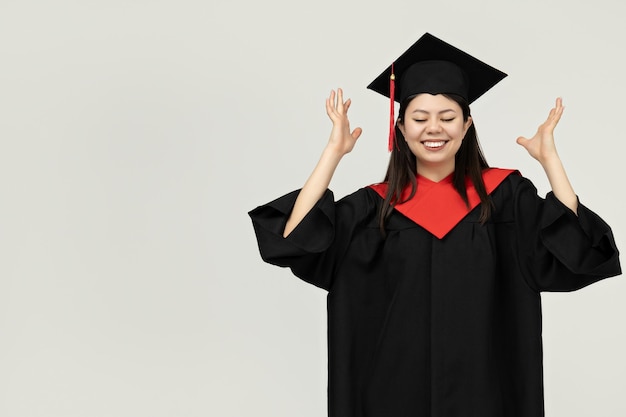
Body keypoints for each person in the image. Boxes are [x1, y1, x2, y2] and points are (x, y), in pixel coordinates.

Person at [248, 33, 621, 417]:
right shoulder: (373, 207)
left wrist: (550, 161)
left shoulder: (505, 198)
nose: (434, 129)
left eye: (447, 118)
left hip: (485, 394)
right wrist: (333, 153)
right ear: (401, 127)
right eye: (420, 118)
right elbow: (293, 238)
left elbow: (579, 248)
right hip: (391, 394)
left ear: (466, 124)